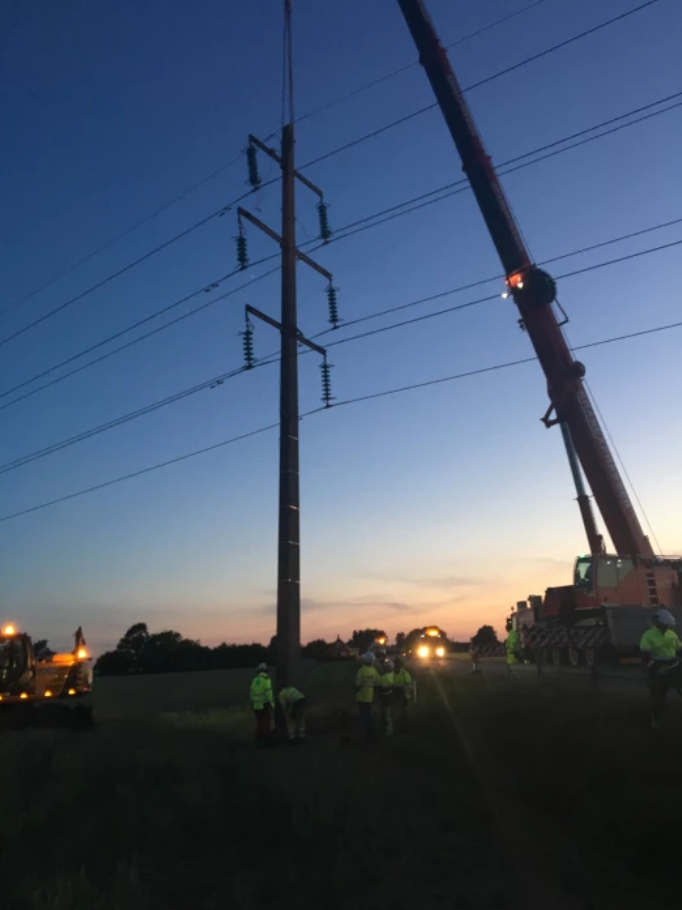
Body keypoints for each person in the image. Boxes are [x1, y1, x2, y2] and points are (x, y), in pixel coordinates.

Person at [640, 609, 682, 730]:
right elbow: (645, 658)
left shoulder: (671, 633)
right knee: (658, 696)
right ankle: (656, 719)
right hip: (657, 668)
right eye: (665, 625)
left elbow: (678, 647)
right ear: (658, 624)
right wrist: (657, 668)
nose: (667, 627)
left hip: (673, 666)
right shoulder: (648, 636)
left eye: (669, 625)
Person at [355, 651, 381, 741]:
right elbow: (378, 683)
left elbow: (357, 685)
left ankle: (368, 735)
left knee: (364, 716)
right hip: (370, 697)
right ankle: (371, 733)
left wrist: (355, 691)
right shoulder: (374, 671)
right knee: (368, 715)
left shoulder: (361, 670)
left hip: (361, 697)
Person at [250, 662, 275, 745]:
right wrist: (272, 704)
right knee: (266, 721)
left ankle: (259, 738)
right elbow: (269, 693)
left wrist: (252, 703)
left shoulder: (254, 680)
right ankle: (265, 740)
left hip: (255, 705)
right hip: (264, 704)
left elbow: (251, 693)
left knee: (259, 722)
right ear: (266, 670)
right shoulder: (266, 680)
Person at [393, 657, 413, 727]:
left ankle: (404, 724)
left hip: (402, 694)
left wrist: (404, 690)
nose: (396, 666)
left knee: (403, 710)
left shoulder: (404, 673)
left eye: (398, 665)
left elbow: (409, 685)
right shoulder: (391, 673)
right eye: (395, 665)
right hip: (394, 694)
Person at [379, 659, 395, 736]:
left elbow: (380, 686)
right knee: (388, 714)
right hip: (391, 696)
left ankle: (388, 730)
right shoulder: (393, 674)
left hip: (385, 697)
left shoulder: (384, 677)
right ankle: (389, 729)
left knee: (386, 714)